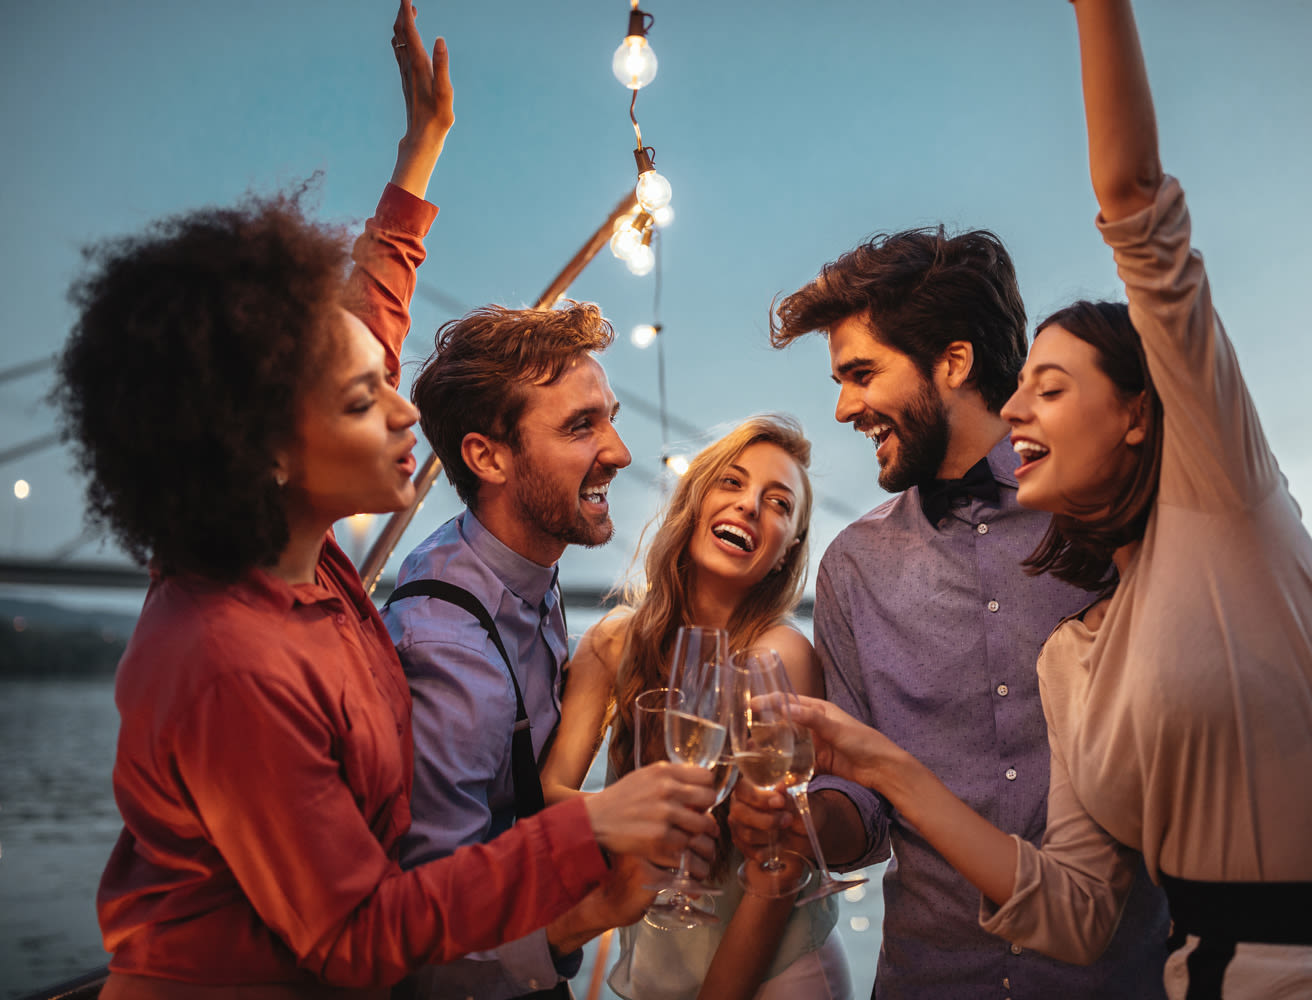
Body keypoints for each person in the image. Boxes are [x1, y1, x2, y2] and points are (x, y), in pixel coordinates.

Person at [732, 9, 1312, 1000]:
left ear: (952, 362)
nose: (844, 405)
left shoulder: (1181, 525)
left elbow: (1250, 696)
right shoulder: (893, 580)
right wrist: (817, 812)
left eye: (860, 372)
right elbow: (924, 831)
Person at [63, 5, 716, 996]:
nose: (405, 411)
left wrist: (420, 158)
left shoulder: (292, 549)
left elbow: (356, 322)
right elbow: (361, 934)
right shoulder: (227, 661)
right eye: (368, 400)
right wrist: (587, 828)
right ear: (266, 449)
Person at [381, 294, 663, 1000]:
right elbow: (434, 937)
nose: (619, 453)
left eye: (611, 420)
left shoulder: (526, 570)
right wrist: (597, 912)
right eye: (580, 427)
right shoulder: (448, 648)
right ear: (487, 457)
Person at [541, 414, 854, 1000]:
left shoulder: (777, 655)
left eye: (779, 503)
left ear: (787, 553)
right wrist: (625, 814)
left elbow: (779, 871)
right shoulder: (613, 642)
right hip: (658, 961)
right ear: (695, 500)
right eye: (731, 483)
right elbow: (550, 795)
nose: (750, 506)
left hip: (772, 972)